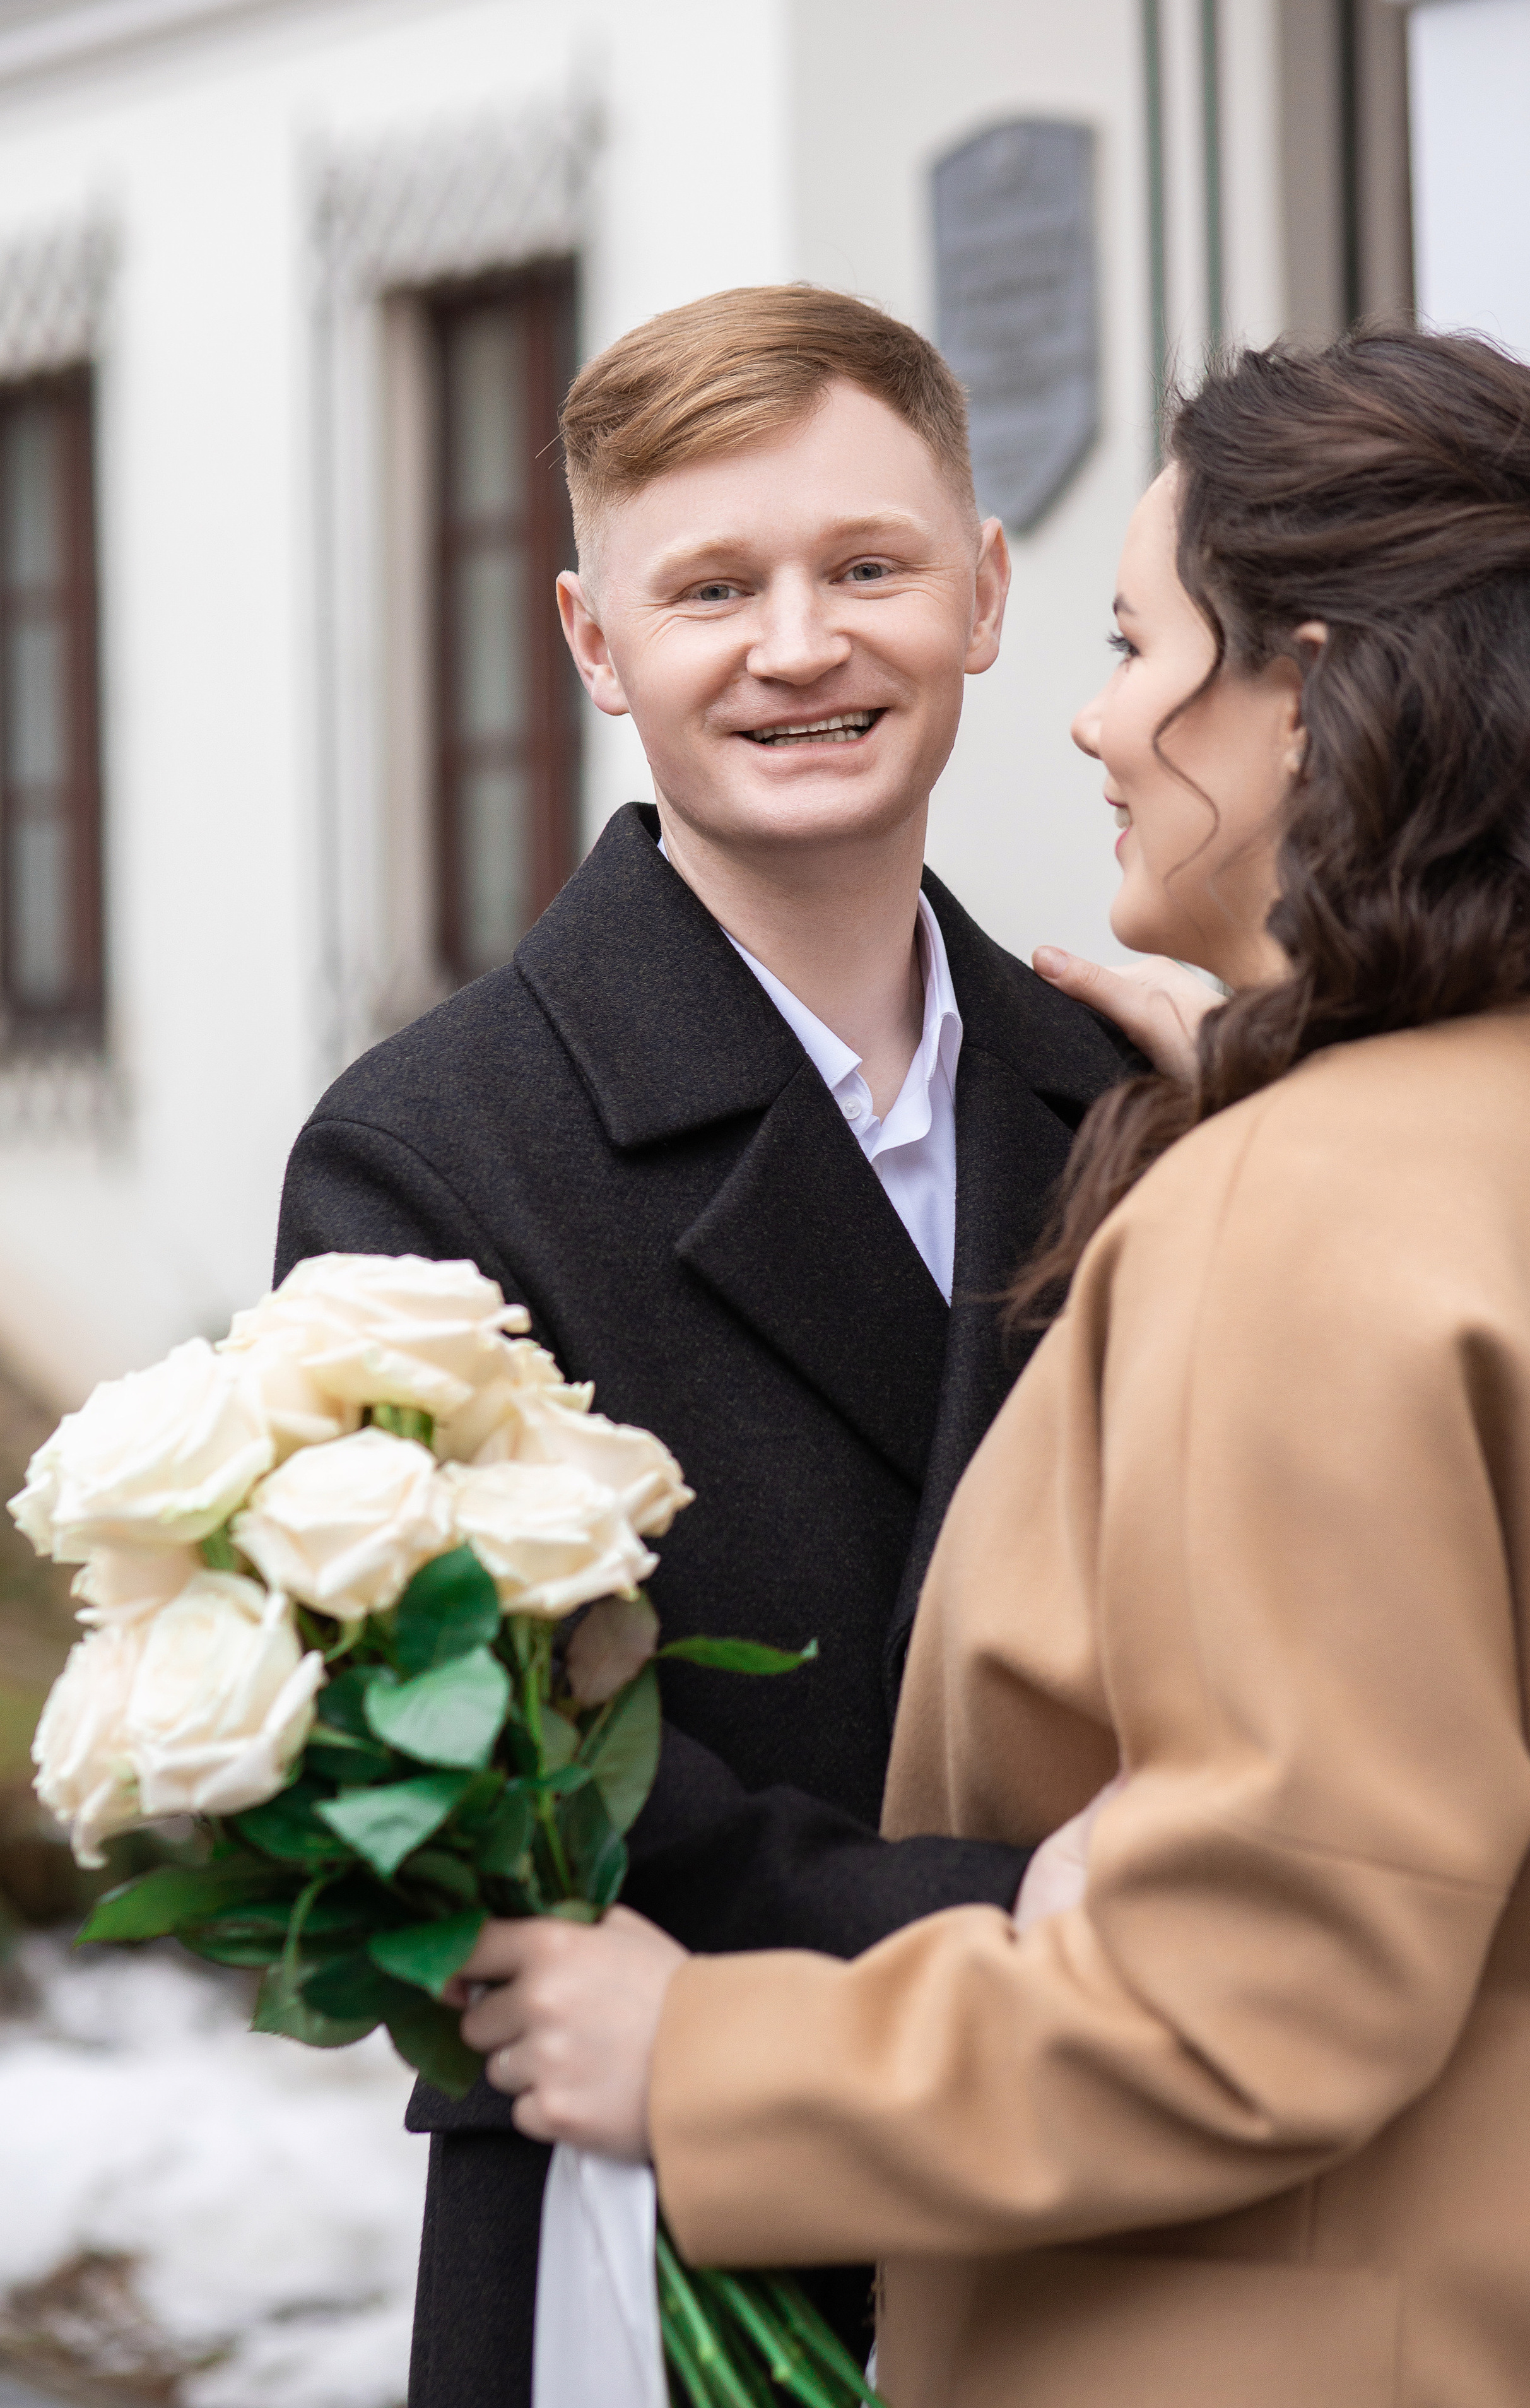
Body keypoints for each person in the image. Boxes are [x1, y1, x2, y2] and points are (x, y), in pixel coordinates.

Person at [467, 326, 1530, 2408]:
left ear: (1309, 688)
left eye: (1127, 638)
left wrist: (714, 2058)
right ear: (594, 634)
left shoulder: (1261, 1167)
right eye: (712, 585)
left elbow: (1267, 1977)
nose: (1095, 718)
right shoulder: (1516, 1110)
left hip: (1255, 2306)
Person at [272, 283, 1141, 2402]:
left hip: (1092, 2179)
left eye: (868, 566)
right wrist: (1052, 1912)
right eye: (712, 588)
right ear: (590, 643)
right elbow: (517, 1791)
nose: (799, 647)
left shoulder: (1122, 1096)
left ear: (987, 590)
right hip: (659, 2213)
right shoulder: (431, 1151)